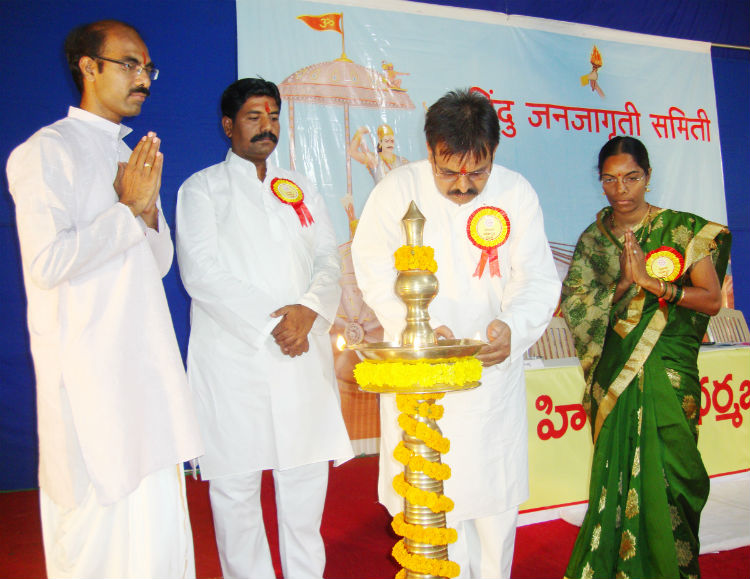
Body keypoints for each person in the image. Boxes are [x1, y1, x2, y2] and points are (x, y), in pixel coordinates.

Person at [6, 20, 203, 578]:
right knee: (98, 529)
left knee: (157, 525)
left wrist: (142, 211)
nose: (144, 79)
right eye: (129, 65)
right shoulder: (46, 151)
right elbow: (46, 265)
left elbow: (158, 263)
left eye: (148, 68)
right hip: (90, 378)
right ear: (88, 67)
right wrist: (126, 210)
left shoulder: (130, 154)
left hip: (143, 368)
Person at [351, 89, 560, 578]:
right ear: (430, 150)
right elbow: (372, 269)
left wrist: (512, 328)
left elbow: (537, 279)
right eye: (449, 172)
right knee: (429, 507)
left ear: (494, 155)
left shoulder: (516, 193)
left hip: (490, 377)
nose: (464, 185)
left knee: (492, 516)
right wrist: (414, 324)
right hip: (421, 378)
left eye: (477, 172)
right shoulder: (396, 191)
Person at [175, 78, 353, 579]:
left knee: (304, 484)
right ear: (228, 125)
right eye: (253, 116)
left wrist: (309, 310)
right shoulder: (201, 189)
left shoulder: (302, 187)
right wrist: (277, 322)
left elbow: (326, 258)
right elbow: (201, 273)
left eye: (273, 116)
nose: (266, 126)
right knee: (235, 490)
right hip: (236, 357)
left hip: (301, 353)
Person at [561, 136, 731, 579]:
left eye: (631, 178)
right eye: (610, 180)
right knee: (617, 481)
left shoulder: (680, 230)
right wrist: (620, 285)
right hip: (617, 371)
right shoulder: (594, 242)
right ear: (600, 183)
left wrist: (654, 285)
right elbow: (576, 305)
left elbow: (711, 300)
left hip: (670, 371)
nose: (622, 190)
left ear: (648, 177)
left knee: (676, 478)